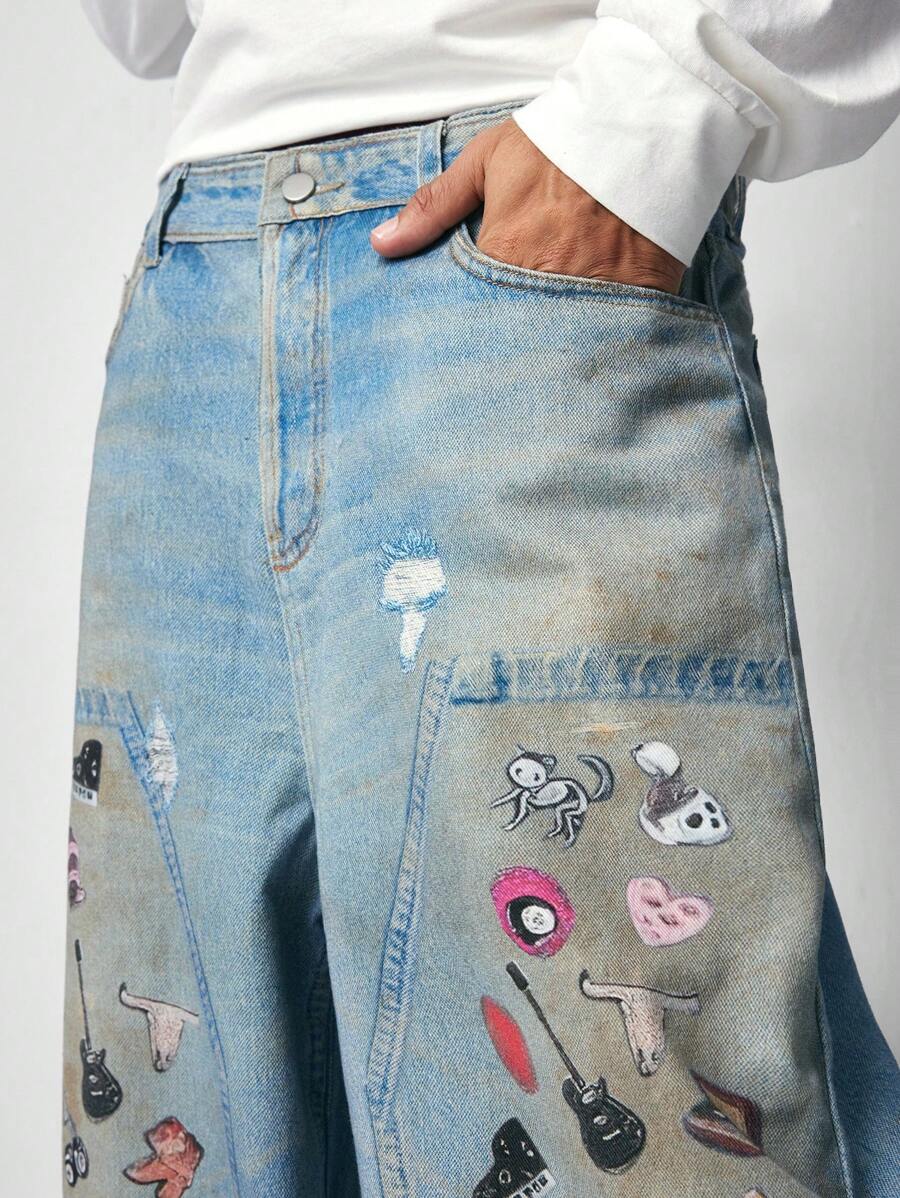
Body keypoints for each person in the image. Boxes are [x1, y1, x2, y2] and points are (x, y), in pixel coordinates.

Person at [65, 2, 899, 1195]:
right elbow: (143, 29)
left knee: (643, 1131)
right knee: (182, 1131)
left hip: (515, 281)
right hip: (193, 296)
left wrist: (656, 111)